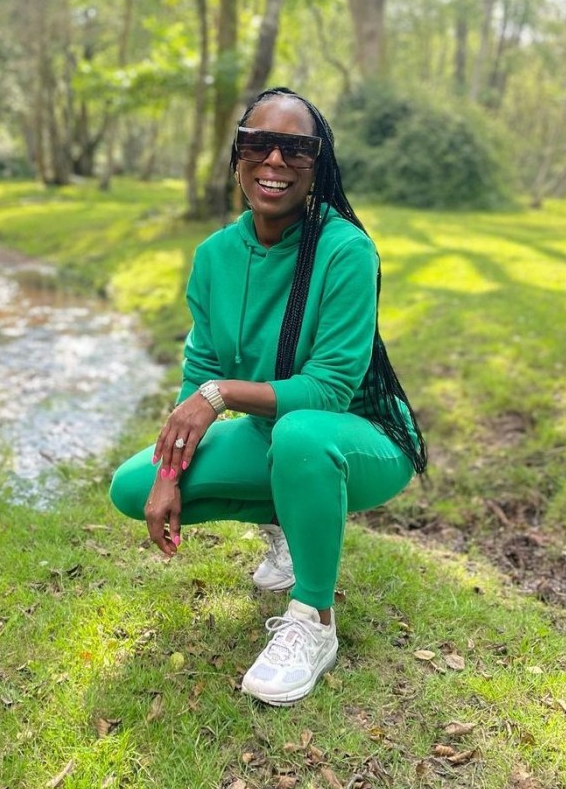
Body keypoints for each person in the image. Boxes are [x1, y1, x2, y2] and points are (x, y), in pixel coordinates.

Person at [110, 87, 427, 706]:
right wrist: (171, 467)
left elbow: (329, 388)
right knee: (133, 487)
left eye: (296, 149)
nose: (274, 161)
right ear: (237, 157)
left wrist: (219, 394)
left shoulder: (345, 250)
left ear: (318, 165)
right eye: (258, 144)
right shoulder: (214, 256)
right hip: (272, 434)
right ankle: (288, 520)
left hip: (359, 436)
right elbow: (199, 365)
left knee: (302, 434)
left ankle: (314, 620)